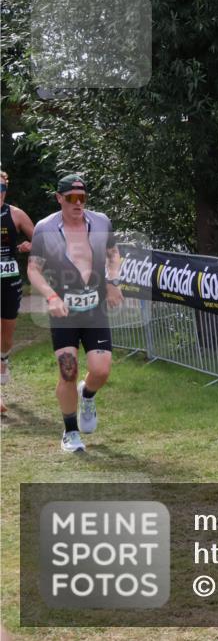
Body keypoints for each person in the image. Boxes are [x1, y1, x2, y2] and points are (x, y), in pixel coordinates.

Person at [26, 174, 123, 452]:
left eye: (82, 198)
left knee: (101, 370)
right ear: (60, 198)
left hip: (94, 310)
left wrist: (113, 282)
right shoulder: (45, 228)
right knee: (68, 371)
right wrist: (52, 296)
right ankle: (70, 432)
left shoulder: (101, 221)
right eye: (71, 198)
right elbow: (33, 269)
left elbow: (113, 253)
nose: (78, 203)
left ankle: (88, 395)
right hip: (64, 312)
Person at [0, 171, 36, 412]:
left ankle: (3, 359)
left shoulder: (15, 214)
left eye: (2, 188)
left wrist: (28, 246)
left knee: (6, 334)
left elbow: (41, 240)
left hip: (9, 280)